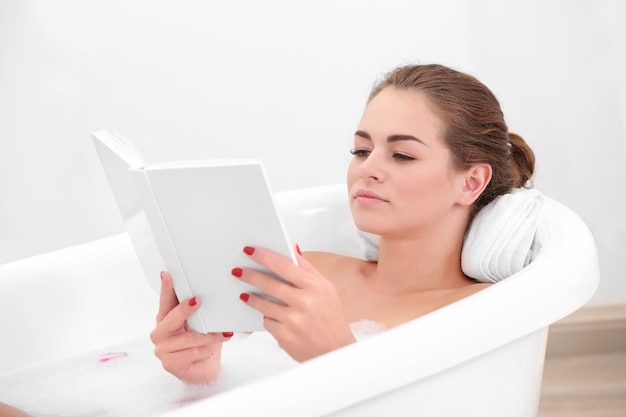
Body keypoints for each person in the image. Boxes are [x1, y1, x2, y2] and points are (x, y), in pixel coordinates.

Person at [150, 63, 536, 384]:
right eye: (361, 150)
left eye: (401, 155)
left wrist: (337, 355)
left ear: (471, 182)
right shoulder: (309, 276)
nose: (367, 169)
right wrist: (202, 373)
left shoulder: (488, 311)